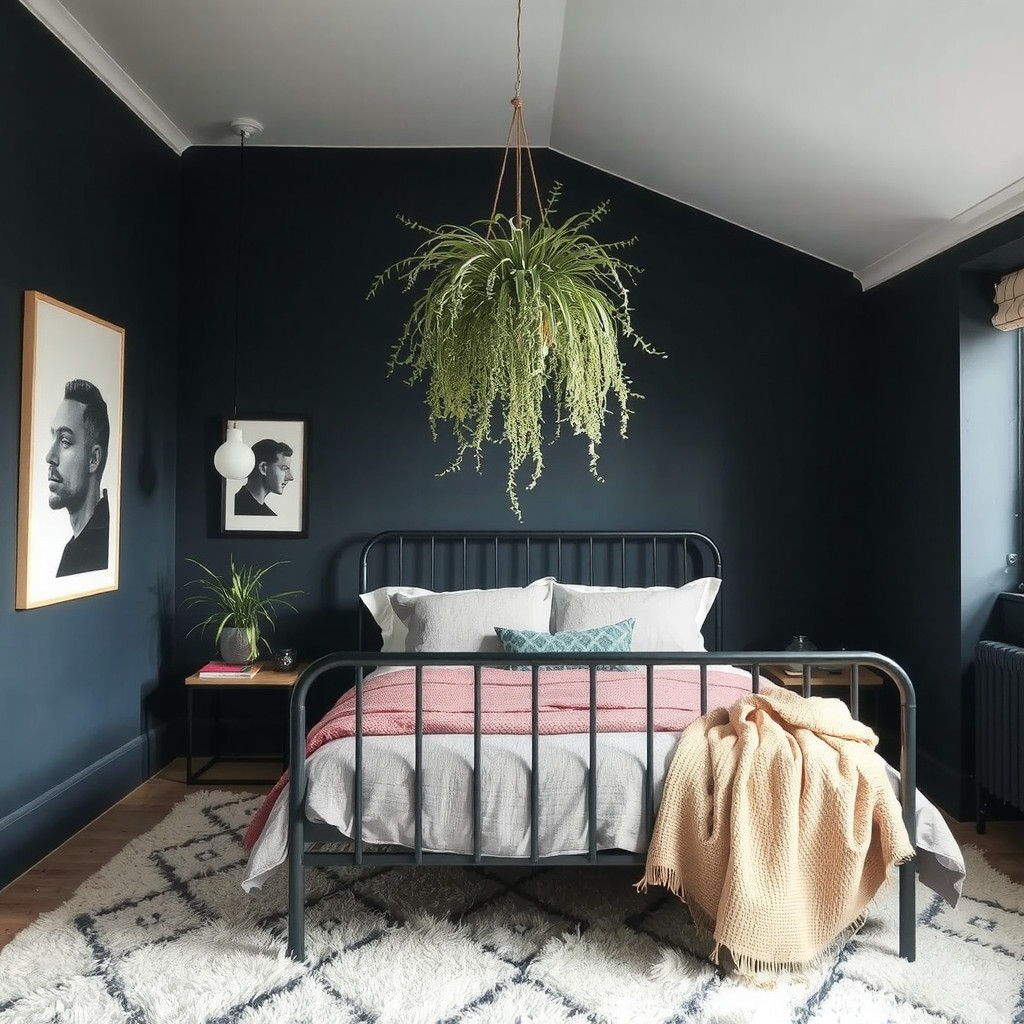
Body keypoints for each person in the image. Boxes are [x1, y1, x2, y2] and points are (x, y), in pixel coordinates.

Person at [46, 378, 111, 576]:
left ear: (93, 459)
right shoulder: (74, 549)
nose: (49, 456)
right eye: (52, 438)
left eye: (65, 441)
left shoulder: (98, 545)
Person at [234, 438, 294, 516]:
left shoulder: (234, 503)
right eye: (284, 468)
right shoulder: (237, 507)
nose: (290, 477)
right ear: (263, 468)